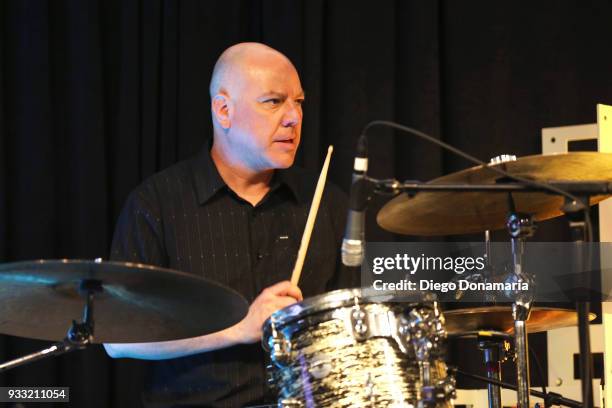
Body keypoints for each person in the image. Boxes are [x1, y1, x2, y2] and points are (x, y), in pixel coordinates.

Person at [104, 42, 355, 407]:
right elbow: (117, 339)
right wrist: (238, 330)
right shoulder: (156, 204)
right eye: (273, 101)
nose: (293, 118)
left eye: (298, 102)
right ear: (223, 110)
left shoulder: (327, 201)